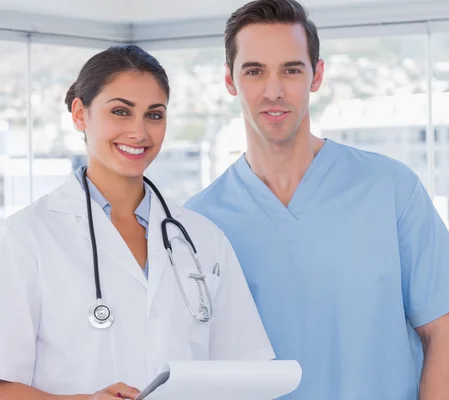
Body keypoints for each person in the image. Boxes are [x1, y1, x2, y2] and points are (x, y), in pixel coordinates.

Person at [184, 0, 449, 398]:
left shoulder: (391, 188)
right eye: (254, 71)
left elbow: (444, 332)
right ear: (229, 80)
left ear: (316, 75)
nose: (273, 91)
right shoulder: (199, 221)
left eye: (291, 70)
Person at [0, 44, 274, 400]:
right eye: (120, 112)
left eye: (154, 115)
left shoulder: (202, 237)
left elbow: (244, 370)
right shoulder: (25, 238)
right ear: (80, 114)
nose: (139, 132)